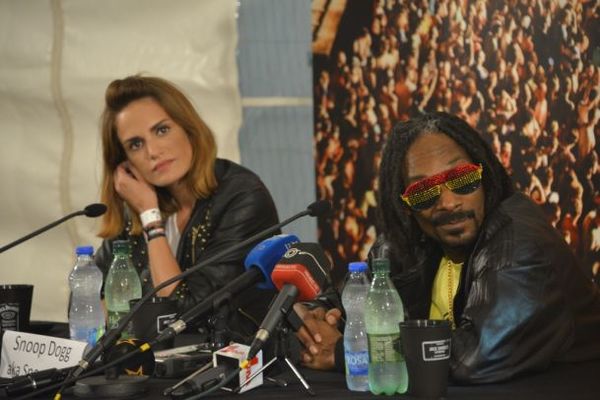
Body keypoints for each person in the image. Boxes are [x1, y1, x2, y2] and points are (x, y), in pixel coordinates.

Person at [297, 112, 600, 383]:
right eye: (423, 191)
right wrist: (313, 321)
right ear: (405, 205)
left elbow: (472, 356)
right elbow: (345, 302)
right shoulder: (405, 243)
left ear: (484, 174)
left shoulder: (518, 245)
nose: (448, 202)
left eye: (461, 178)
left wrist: (350, 354)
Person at [94, 74, 279, 340]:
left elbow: (186, 316)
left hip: (237, 359)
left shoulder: (242, 197)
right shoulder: (138, 203)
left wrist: (151, 220)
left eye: (161, 130)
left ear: (188, 128)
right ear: (124, 162)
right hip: (154, 360)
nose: (152, 151)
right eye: (136, 144)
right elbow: (86, 303)